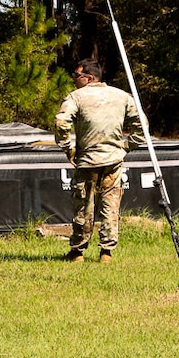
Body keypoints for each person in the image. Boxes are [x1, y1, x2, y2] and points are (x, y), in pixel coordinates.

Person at [54, 58, 146, 264]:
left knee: (83, 207)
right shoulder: (122, 96)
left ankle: (77, 252)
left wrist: (68, 148)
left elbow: (61, 122)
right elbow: (142, 125)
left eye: (76, 76)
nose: (74, 79)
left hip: (87, 160)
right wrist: (126, 146)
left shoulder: (75, 97)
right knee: (110, 206)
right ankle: (106, 252)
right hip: (113, 160)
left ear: (88, 78)